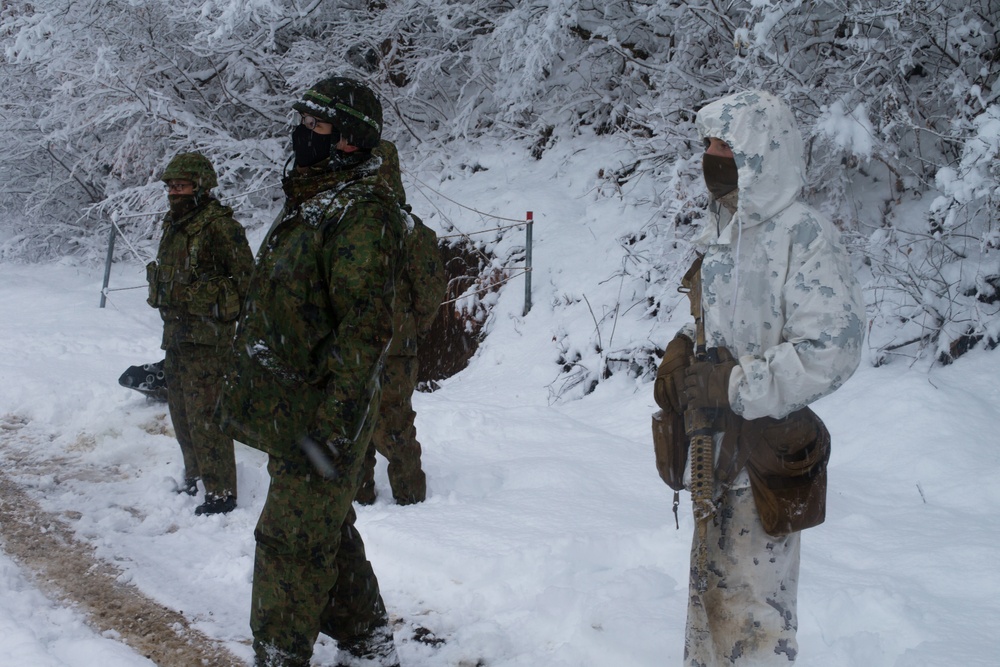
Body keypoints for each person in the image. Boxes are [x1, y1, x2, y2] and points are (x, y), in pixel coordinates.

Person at [653, 90, 864, 664]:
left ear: (761, 153)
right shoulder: (723, 229)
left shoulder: (803, 236)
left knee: (756, 624)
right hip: (709, 456)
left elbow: (833, 347)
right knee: (709, 609)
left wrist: (738, 386)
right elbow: (719, 324)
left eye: (727, 144)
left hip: (763, 458)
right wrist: (680, 352)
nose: (713, 155)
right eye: (708, 144)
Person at [220, 77, 405, 667]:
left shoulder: (360, 214)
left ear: (350, 140)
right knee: (326, 529)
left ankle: (279, 656)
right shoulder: (314, 197)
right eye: (303, 120)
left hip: (324, 414)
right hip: (292, 408)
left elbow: (363, 330)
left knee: (289, 543)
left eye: (319, 126)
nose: (304, 133)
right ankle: (369, 643)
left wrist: (332, 424)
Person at [146, 152, 252, 516]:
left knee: (207, 418)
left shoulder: (220, 227)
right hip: (176, 337)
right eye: (171, 186)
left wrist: (199, 296)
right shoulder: (173, 226)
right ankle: (195, 478)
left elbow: (246, 284)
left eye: (183, 186)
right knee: (181, 413)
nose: (175, 192)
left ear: (201, 187)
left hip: (208, 342)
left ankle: (221, 492)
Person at [355, 140, 447, 506]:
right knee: (360, 422)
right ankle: (363, 495)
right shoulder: (355, 223)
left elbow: (429, 289)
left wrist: (409, 328)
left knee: (387, 423)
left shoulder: (407, 229)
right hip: (363, 347)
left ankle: (408, 502)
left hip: (387, 348)